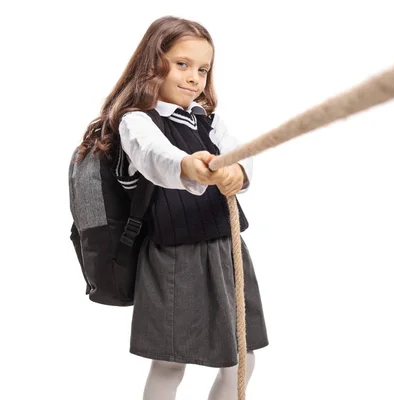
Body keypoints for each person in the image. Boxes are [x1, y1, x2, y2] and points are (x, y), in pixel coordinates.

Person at [76, 15, 269, 400]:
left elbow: (240, 152)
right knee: (169, 361)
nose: (194, 77)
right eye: (182, 64)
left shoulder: (206, 119)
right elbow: (154, 155)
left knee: (241, 356)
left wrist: (236, 171)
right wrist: (187, 165)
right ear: (153, 63)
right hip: (173, 256)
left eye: (203, 69)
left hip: (227, 250)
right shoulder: (136, 122)